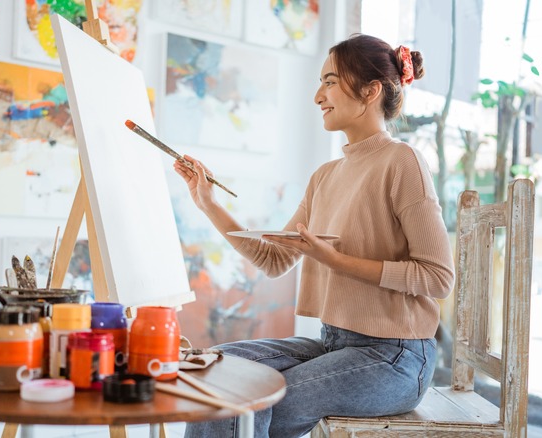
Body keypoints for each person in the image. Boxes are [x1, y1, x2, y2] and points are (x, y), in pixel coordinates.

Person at [174, 34, 455, 438]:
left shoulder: (402, 161)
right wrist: (208, 203)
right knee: (216, 368)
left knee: (253, 401)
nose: (317, 96)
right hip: (334, 344)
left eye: (329, 82)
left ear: (370, 90)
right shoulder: (325, 176)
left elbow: (438, 277)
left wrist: (335, 260)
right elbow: (274, 259)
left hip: (396, 357)